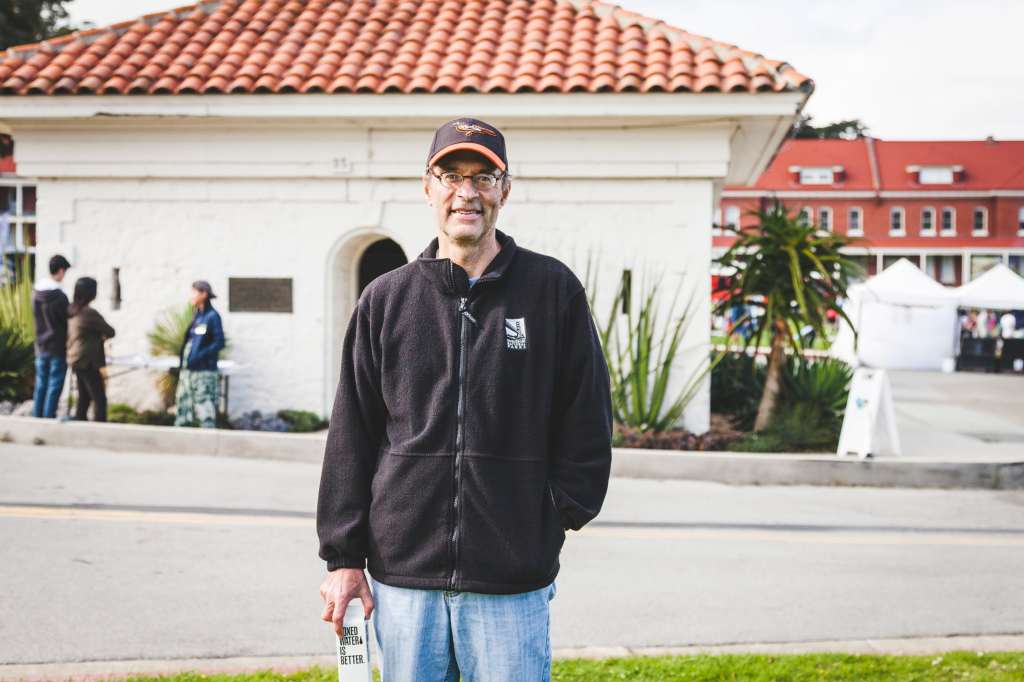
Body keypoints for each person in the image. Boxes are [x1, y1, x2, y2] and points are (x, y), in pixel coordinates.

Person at [317, 118, 613, 681]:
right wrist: (343, 557)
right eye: (450, 175)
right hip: (404, 576)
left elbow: (588, 418)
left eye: (483, 177)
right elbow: (351, 433)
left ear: (505, 188)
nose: (466, 192)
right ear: (428, 187)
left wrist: (555, 512)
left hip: (511, 576)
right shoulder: (386, 301)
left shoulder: (553, 291)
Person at [174, 280, 225, 429]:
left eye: (194, 292)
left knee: (205, 406)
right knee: (184, 406)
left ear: (204, 294)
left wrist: (199, 356)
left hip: (204, 372)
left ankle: (208, 438)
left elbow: (219, 342)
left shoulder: (212, 317)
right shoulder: (197, 316)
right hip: (188, 372)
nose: (191, 296)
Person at [66, 277, 115, 422]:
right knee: (99, 398)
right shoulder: (89, 313)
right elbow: (111, 331)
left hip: (75, 358)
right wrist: (100, 336)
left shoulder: (71, 310)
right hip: (87, 361)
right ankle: (100, 427)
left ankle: (80, 421)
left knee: (84, 397)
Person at [31, 254, 71, 418]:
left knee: (40, 385)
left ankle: (36, 419)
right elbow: (67, 320)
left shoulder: (35, 294)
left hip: (40, 346)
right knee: (54, 386)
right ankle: (48, 420)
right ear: (61, 271)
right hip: (57, 346)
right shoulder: (61, 297)